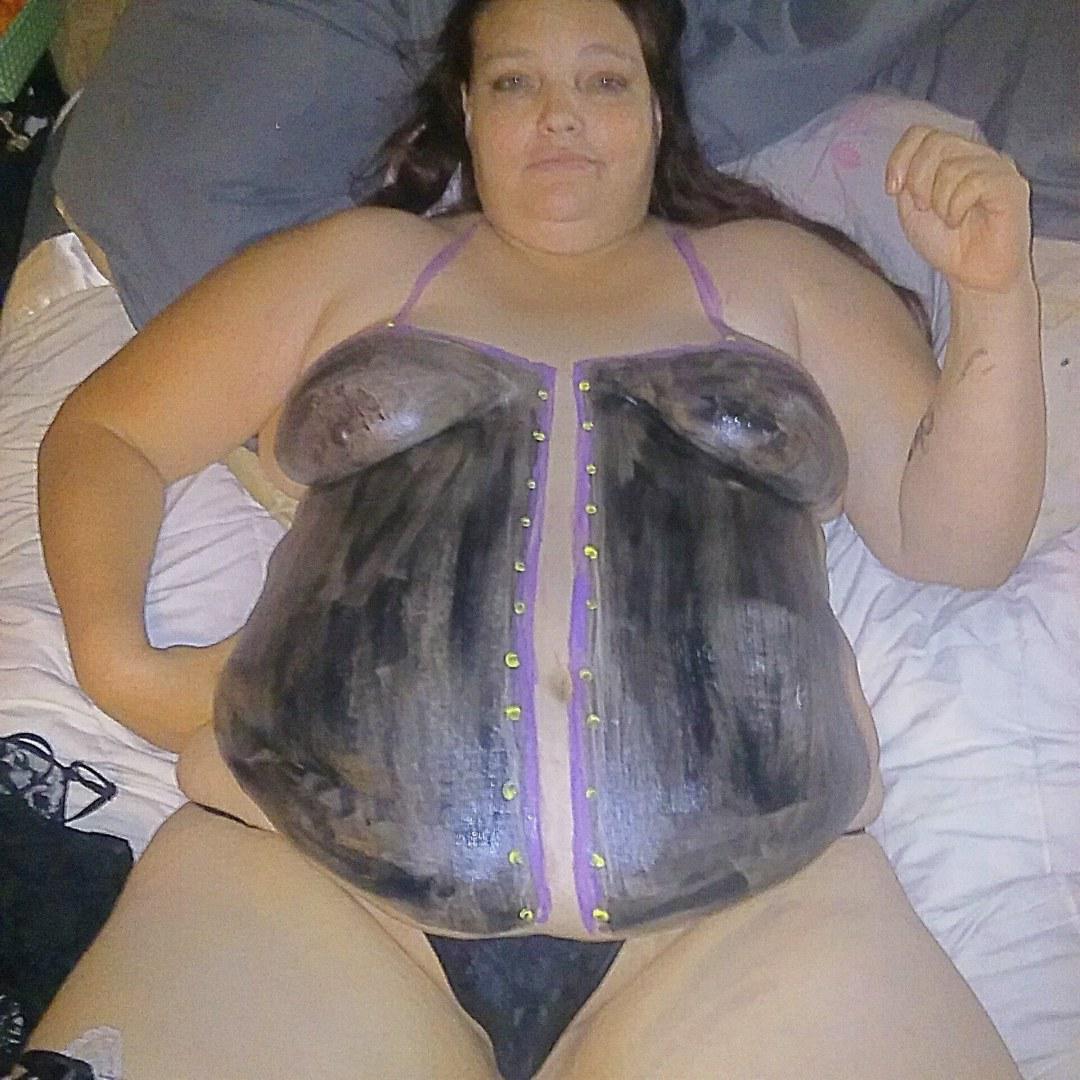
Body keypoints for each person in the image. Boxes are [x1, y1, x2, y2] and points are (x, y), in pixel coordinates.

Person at [29, 0, 1042, 1076]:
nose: (560, 115)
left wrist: (995, 294)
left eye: (603, 81)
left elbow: (956, 542)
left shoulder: (785, 279)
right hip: (304, 888)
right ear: (469, 111)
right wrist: (119, 663)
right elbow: (109, 434)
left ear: (657, 113)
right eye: (517, 82)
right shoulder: (354, 263)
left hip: (756, 918)